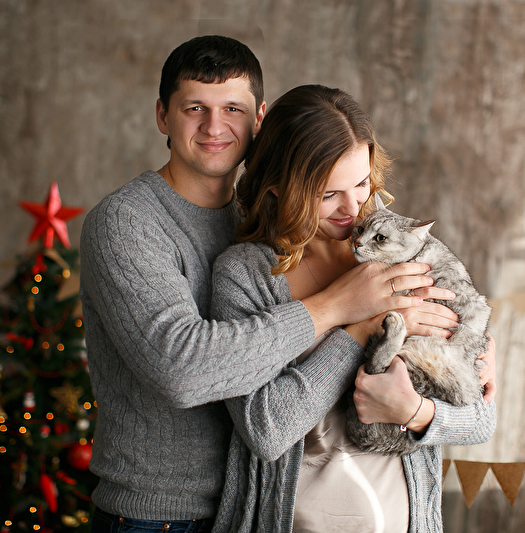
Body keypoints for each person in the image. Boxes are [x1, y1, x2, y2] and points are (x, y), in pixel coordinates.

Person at [80, 36, 443, 533]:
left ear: (259, 119)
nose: (214, 127)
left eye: (232, 108)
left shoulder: (272, 223)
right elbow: (181, 370)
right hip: (159, 514)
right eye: (194, 108)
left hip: (252, 507)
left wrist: (462, 354)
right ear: (163, 116)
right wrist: (336, 308)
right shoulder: (126, 222)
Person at [210, 84, 497, 533]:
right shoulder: (244, 276)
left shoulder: (404, 252)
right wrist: (361, 327)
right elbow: (267, 429)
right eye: (328, 194)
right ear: (279, 187)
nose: (353, 208)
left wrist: (415, 412)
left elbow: (480, 421)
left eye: (362, 183)